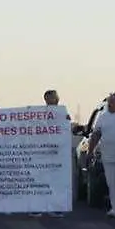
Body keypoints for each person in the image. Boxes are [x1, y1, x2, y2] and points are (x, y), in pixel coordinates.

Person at [86, 93, 115, 218]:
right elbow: (96, 135)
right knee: (113, 184)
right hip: (109, 156)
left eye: (112, 102)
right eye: (109, 102)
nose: (110, 104)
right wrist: (90, 151)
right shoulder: (103, 117)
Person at [31, 89, 67, 218]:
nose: (52, 99)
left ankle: (56, 207)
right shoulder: (41, 113)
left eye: (54, 97)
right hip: (44, 150)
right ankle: (38, 207)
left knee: (56, 180)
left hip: (58, 151)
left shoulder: (63, 113)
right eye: (49, 97)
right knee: (41, 178)